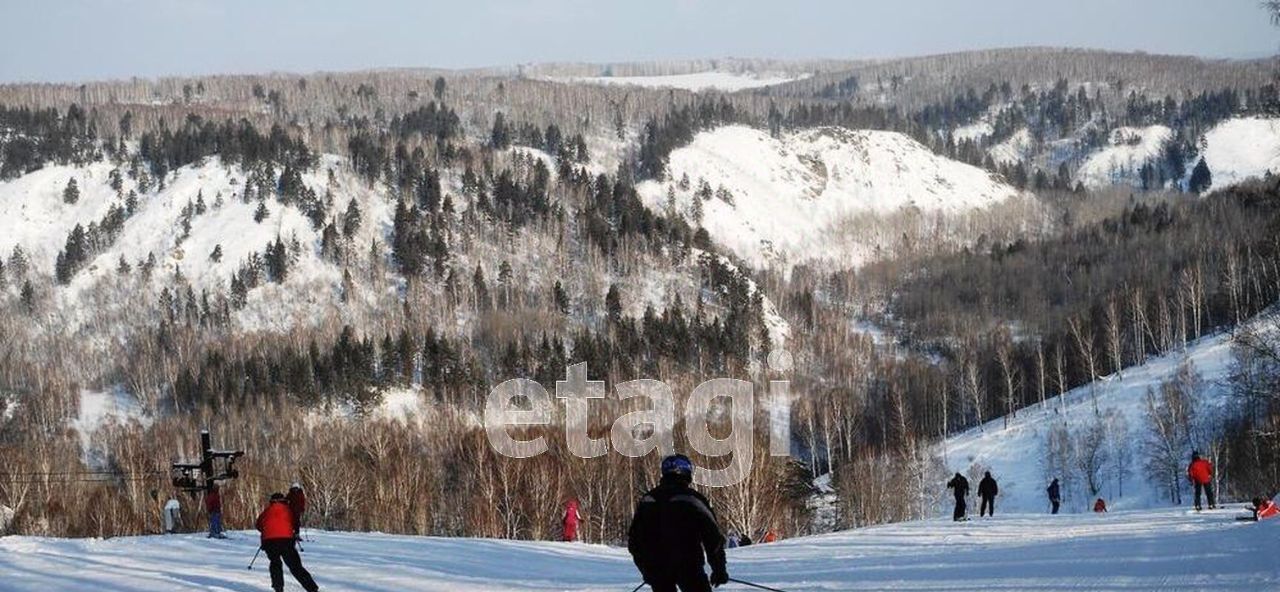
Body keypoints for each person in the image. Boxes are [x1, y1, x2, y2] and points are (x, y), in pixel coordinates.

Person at [628, 454, 728, 592]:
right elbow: (713, 537)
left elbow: (634, 541)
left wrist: (646, 569)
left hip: (659, 569)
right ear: (687, 472)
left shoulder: (648, 500)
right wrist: (719, 569)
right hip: (689, 567)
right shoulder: (694, 500)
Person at [256, 492, 319, 592]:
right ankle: (312, 588)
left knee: (275, 563)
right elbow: (295, 523)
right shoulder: (288, 510)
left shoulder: (266, 511)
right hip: (286, 541)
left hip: (270, 542)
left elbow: (258, 525)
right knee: (295, 566)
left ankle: (278, 588)